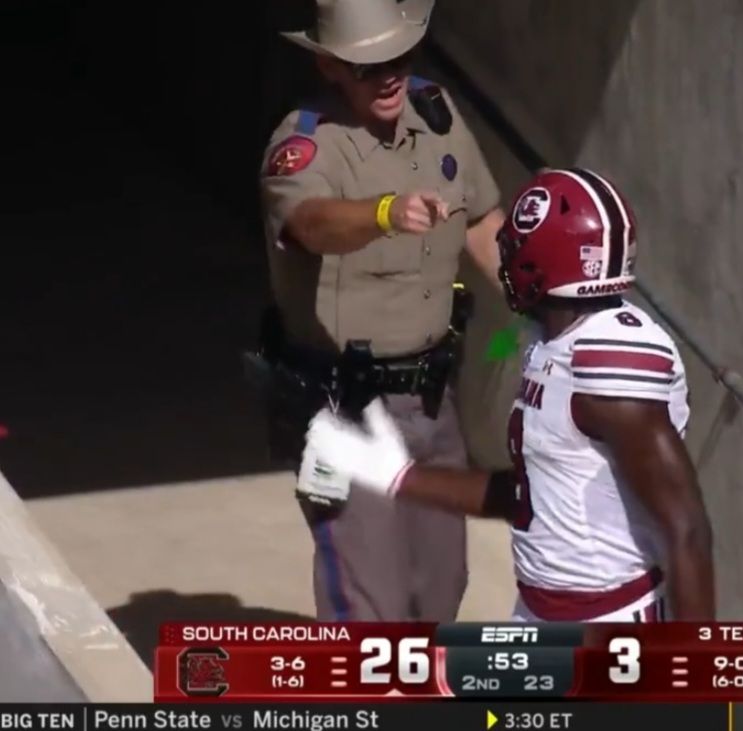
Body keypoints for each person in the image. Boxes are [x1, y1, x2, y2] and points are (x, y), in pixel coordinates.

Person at [301, 167, 716, 622]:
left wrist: (691, 670)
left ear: (547, 259)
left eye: (518, 250)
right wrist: (397, 474)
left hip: (609, 624)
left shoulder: (610, 360)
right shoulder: (549, 337)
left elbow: (687, 530)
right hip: (539, 611)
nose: (507, 263)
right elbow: (530, 490)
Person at [255, 0, 505, 621]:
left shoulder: (435, 112)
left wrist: (549, 303)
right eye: (368, 66)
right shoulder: (305, 146)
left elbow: (481, 222)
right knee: (372, 607)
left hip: (432, 398)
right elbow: (310, 224)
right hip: (345, 408)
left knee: (440, 589)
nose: (389, 75)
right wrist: (385, 212)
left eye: (399, 58)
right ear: (329, 66)